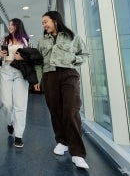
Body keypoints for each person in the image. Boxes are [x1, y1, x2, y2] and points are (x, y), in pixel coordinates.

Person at [33, 11, 90, 169]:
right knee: (55, 110)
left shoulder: (73, 37)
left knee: (71, 110)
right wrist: (38, 80)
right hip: (49, 76)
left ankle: (77, 153)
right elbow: (38, 62)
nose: (44, 25)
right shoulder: (42, 41)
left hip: (68, 74)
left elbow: (84, 54)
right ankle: (62, 141)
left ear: (55, 20)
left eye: (45, 22)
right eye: (43, 23)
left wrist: (74, 59)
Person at [0, 18, 30, 148]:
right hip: (6, 70)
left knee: (20, 105)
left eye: (12, 25)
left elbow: (31, 55)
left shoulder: (26, 40)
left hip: (21, 71)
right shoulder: (4, 39)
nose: (10, 27)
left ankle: (19, 136)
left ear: (17, 26)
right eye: (9, 25)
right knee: (6, 103)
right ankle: (10, 122)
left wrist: (23, 56)